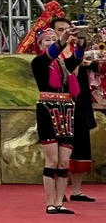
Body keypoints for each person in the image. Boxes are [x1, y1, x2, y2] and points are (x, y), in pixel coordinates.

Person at [51, 17, 101, 206]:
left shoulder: (78, 51)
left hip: (80, 104)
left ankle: (77, 191)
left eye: (68, 29)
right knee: (58, 149)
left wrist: (91, 58)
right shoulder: (50, 54)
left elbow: (88, 63)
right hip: (60, 105)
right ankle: (58, 190)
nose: (65, 32)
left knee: (81, 145)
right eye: (60, 29)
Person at [32, 24, 82, 215]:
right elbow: (53, 52)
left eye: (54, 39)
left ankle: (60, 202)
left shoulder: (63, 66)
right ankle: (50, 203)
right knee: (52, 161)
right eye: (47, 40)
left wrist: (81, 41)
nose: (51, 42)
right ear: (39, 44)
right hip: (47, 110)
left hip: (67, 110)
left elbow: (77, 58)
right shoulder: (38, 62)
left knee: (63, 162)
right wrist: (63, 39)